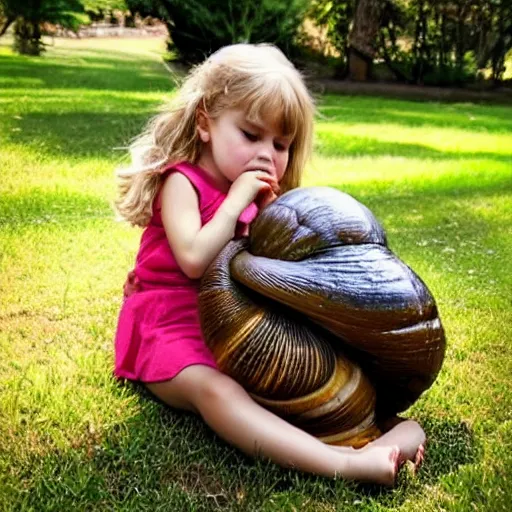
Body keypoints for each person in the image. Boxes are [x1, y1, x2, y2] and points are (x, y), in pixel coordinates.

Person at [114, 43, 425, 486]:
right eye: (251, 134)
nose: (267, 154)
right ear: (205, 121)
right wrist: (237, 202)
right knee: (219, 392)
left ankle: (381, 431)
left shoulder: (261, 200)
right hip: (170, 331)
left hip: (237, 328)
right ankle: (341, 465)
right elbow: (195, 261)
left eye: (280, 144)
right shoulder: (181, 182)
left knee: (309, 377)